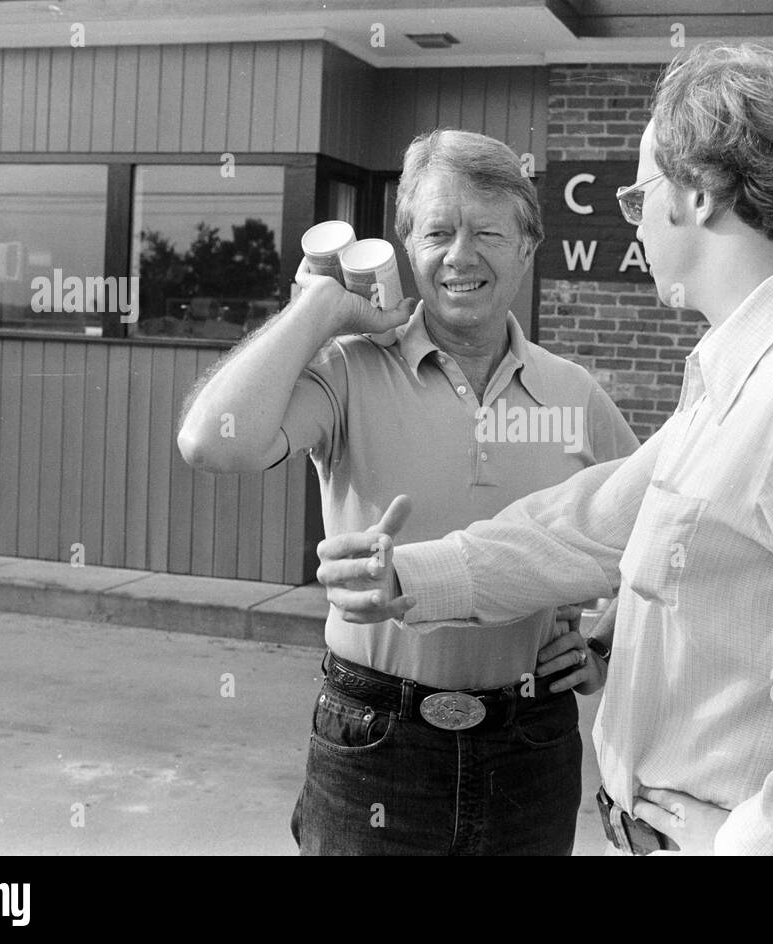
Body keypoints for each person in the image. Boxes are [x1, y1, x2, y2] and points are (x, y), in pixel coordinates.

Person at [314, 43, 773, 856]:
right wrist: (412, 574)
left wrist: (758, 839)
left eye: (640, 190)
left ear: (700, 191)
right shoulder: (741, 375)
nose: (635, 217)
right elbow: (587, 526)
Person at [176, 129, 639, 855]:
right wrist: (320, 310)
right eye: (438, 232)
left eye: (488, 230)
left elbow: (653, 536)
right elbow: (212, 441)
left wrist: (606, 644)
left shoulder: (572, 393)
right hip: (376, 743)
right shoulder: (348, 370)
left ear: (527, 246)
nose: (461, 255)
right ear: (405, 248)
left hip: (530, 746)